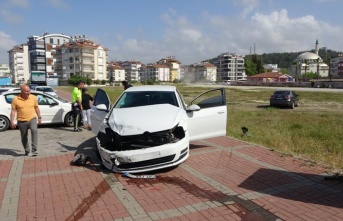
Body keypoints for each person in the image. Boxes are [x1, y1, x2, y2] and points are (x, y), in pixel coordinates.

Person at [10, 84, 42, 156]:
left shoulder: (33, 97)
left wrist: (39, 117)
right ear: (22, 91)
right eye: (27, 91)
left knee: (34, 130)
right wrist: (11, 121)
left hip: (32, 118)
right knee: (24, 136)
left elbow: (36, 108)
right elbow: (13, 111)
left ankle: (34, 149)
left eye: (29, 91)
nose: (29, 92)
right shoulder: (16, 99)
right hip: (21, 120)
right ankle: (27, 151)